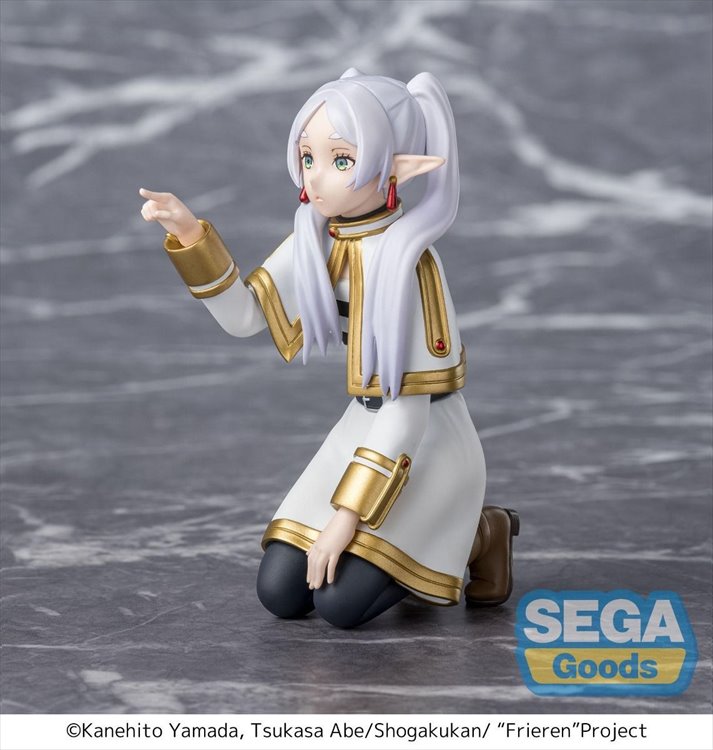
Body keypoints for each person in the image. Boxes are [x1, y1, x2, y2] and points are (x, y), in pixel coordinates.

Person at [140, 69, 518, 628]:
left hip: (427, 441)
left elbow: (407, 414)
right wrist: (193, 237)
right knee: (281, 593)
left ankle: (481, 531)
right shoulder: (315, 239)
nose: (315, 177)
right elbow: (245, 317)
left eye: (341, 160)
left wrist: (346, 518)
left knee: (340, 604)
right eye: (308, 157)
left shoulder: (410, 264)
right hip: (361, 430)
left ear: (399, 169)